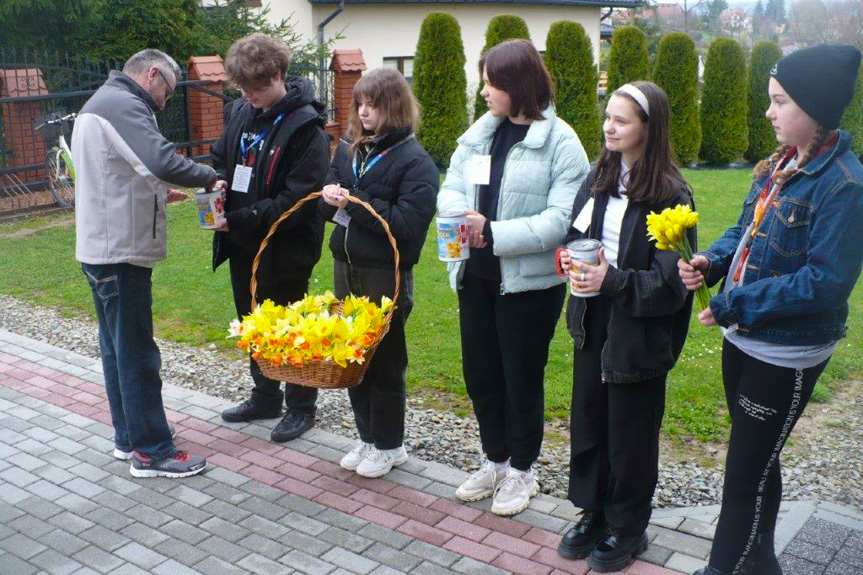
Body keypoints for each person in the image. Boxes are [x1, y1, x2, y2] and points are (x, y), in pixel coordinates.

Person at [678, 45, 863, 575]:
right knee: (759, 461)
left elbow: (825, 283)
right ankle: (759, 561)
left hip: (787, 352)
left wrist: (737, 301)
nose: (768, 111)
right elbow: (744, 230)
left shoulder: (845, 184)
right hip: (745, 338)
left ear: (814, 108)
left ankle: (723, 569)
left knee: (742, 475)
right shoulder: (779, 164)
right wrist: (711, 260)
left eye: (779, 101)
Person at [437, 39, 589, 516]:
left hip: (527, 286)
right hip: (475, 276)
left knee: (520, 379)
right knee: (481, 375)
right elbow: (451, 184)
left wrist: (493, 232)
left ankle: (523, 471)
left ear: (518, 85)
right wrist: (459, 215)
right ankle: (495, 461)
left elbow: (562, 219)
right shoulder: (481, 133)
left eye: (491, 82)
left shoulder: (561, 142)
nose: (483, 92)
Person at [555, 81, 695, 573]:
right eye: (607, 117)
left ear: (648, 129)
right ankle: (594, 512)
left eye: (622, 120)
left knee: (631, 436)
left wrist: (610, 280)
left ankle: (629, 526)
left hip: (638, 335)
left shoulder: (670, 194)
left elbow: (670, 286)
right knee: (590, 421)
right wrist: (569, 257)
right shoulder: (599, 176)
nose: (609, 127)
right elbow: (576, 232)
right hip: (593, 324)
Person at [73, 49, 221, 478]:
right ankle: (153, 450)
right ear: (152, 74)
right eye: (167, 91)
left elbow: (116, 172)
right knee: (137, 353)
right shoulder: (124, 103)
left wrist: (161, 194)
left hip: (102, 249)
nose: (164, 101)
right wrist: (207, 176)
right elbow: (159, 159)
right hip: (119, 252)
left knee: (117, 349)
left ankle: (128, 438)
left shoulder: (101, 102)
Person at [319, 67, 437, 478]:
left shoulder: (416, 161)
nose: (364, 113)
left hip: (386, 274)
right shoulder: (349, 146)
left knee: (385, 359)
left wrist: (352, 202)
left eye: (373, 105)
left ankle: (389, 445)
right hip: (345, 266)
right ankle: (367, 437)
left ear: (394, 107)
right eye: (360, 105)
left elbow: (406, 225)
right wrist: (329, 197)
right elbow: (325, 197)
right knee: (353, 356)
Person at [213, 33, 331, 443]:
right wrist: (213, 184)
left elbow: (297, 199)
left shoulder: (307, 129)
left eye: (255, 87)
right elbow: (220, 156)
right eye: (241, 88)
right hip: (243, 242)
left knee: (289, 326)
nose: (247, 95)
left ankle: (301, 406)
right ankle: (265, 396)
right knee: (253, 321)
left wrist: (241, 219)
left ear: (277, 74)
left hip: (286, 247)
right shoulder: (242, 112)